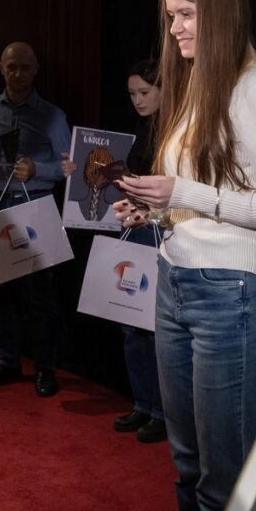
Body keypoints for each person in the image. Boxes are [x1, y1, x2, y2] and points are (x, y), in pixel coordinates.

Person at [113, 0, 256, 511]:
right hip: (174, 280)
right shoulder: (197, 82)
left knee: (224, 480)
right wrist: (153, 209)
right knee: (188, 464)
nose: (174, 29)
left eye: (187, 15)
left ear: (221, 11)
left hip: (230, 295)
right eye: (171, 16)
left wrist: (182, 193)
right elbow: (201, 194)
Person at [0, 41, 72, 398]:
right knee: (0, 294)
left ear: (36, 70)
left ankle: (45, 368)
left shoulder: (53, 115)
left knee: (42, 297)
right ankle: (8, 362)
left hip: (38, 205)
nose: (17, 74)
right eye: (11, 66)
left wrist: (37, 169)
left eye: (25, 67)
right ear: (1, 68)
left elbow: (68, 167)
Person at [110, 59, 166, 443]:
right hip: (136, 228)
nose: (138, 100)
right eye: (132, 94)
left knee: (157, 326)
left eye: (144, 92)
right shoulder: (140, 128)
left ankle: (162, 411)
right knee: (131, 321)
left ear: (163, 89)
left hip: (164, 233)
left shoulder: (176, 128)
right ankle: (142, 403)